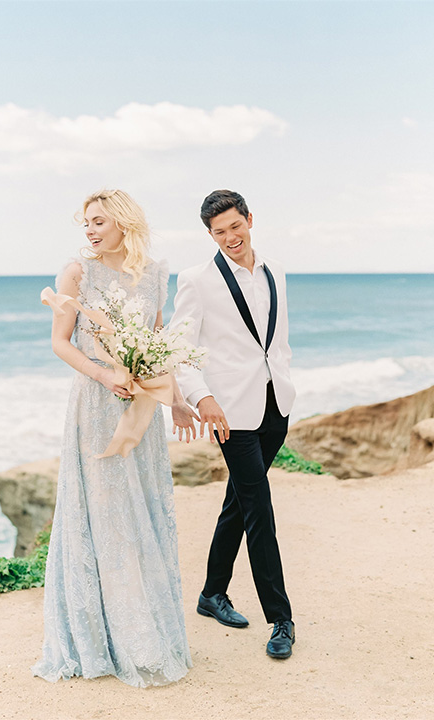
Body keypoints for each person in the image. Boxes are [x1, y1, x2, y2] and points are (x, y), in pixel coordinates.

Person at [32, 189, 192, 686]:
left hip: (142, 410)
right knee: (104, 516)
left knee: (142, 511)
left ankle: (145, 630)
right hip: (96, 408)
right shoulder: (76, 273)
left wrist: (178, 397)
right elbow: (60, 342)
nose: (90, 231)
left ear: (125, 222)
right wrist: (105, 377)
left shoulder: (157, 274)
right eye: (86, 223)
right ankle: (102, 638)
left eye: (99, 221)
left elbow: (159, 344)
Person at [170, 189, 297, 659]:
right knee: (259, 511)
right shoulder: (197, 280)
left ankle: (211, 593)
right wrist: (202, 398)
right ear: (210, 234)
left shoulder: (276, 272)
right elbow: (178, 348)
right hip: (230, 416)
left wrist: (285, 380)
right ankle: (280, 619)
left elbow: (275, 342)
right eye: (218, 233)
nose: (229, 238)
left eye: (234, 227)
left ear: (249, 220)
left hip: (275, 407)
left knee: (239, 504)